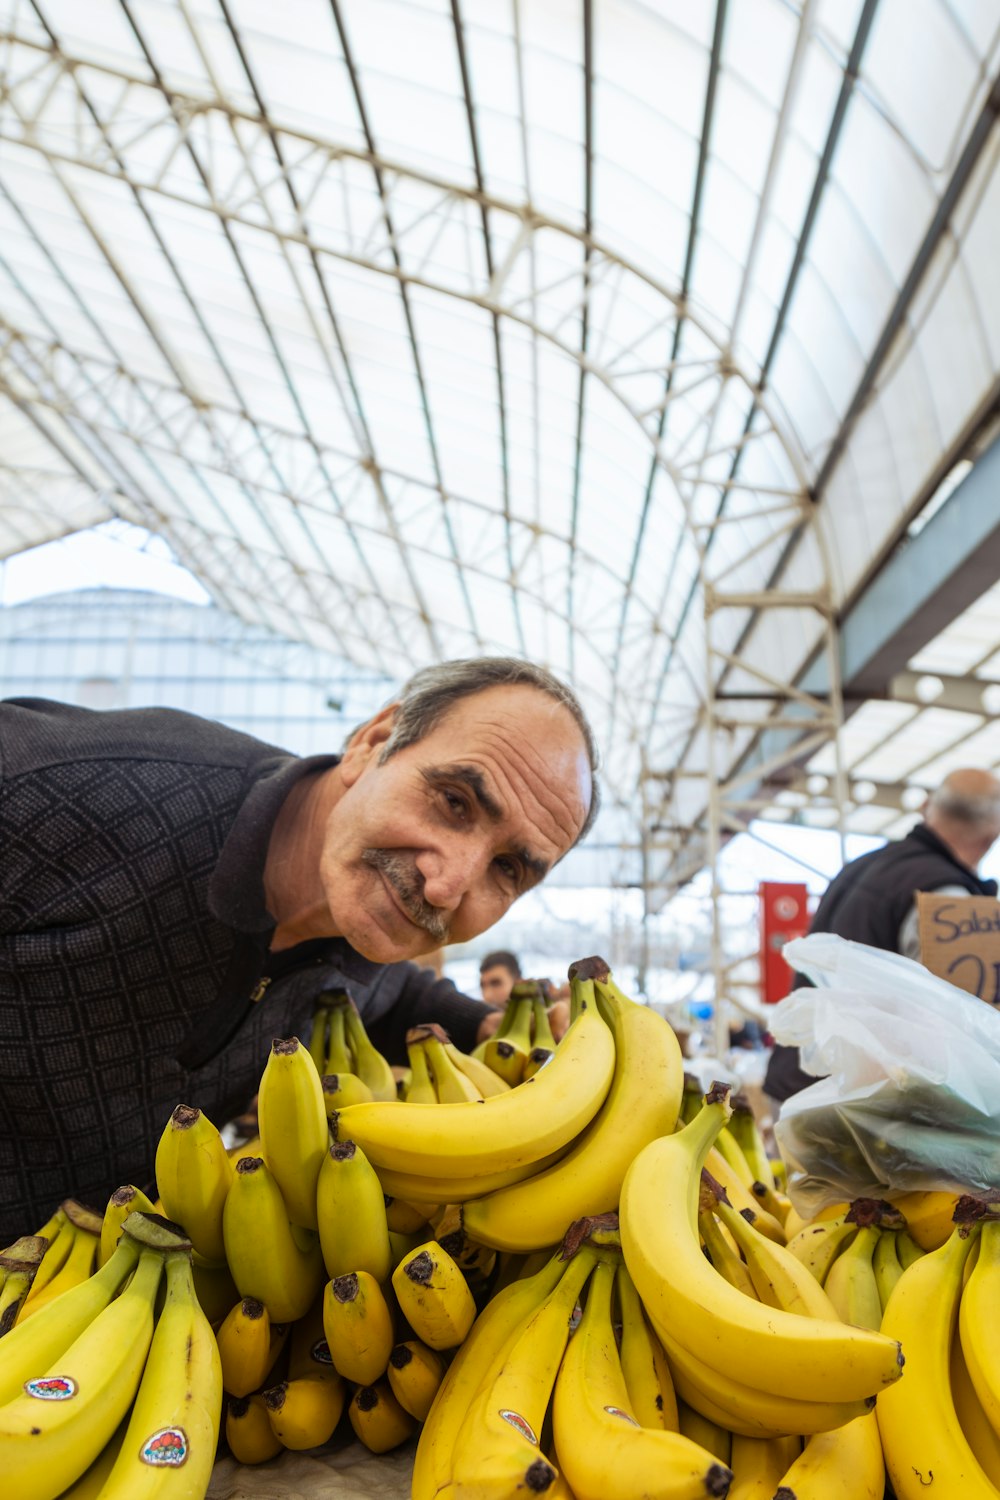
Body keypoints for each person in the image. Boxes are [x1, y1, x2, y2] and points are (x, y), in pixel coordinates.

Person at [0, 657, 598, 1240]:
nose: (446, 885)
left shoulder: (355, 933)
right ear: (372, 743)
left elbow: (390, 997)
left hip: (89, 1288)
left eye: (508, 867)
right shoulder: (68, 789)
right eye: (453, 801)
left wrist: (497, 1026)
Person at [764, 767, 1000, 1104]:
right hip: (849, 1110)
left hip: (800, 1083)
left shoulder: (863, 866)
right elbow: (953, 1032)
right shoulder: (946, 898)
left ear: (927, 808)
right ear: (991, 836)